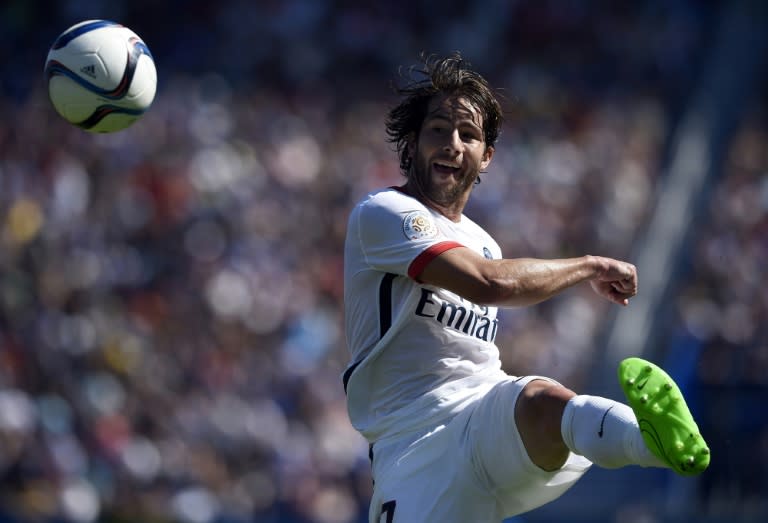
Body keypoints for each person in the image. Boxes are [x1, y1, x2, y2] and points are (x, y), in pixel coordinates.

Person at [342, 52, 709, 522]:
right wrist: (589, 265)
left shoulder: (483, 241)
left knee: (543, 402)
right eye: (438, 129)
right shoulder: (384, 213)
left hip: (482, 411)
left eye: (468, 135)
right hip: (414, 445)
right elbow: (487, 284)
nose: (453, 144)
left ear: (486, 155)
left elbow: (488, 281)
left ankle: (655, 442)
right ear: (411, 143)